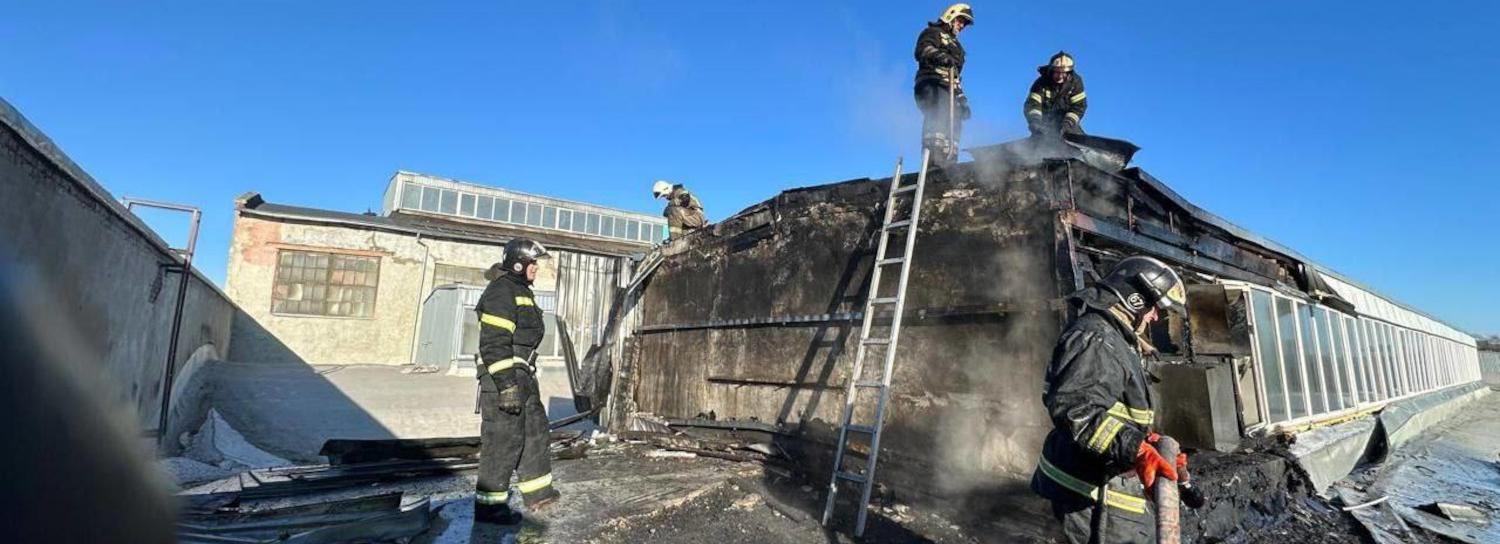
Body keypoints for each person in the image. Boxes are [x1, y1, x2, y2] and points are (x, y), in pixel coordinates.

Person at [1031, 256, 1189, 544]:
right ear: (1135, 299)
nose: (1154, 317)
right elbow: (1076, 410)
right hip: (1087, 499)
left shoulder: (1115, 338)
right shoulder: (1097, 336)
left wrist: (1146, 440)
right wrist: (1135, 450)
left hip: (1101, 492)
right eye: (1153, 307)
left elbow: (1113, 407)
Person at [473, 238, 559, 524]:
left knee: (535, 432)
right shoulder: (501, 291)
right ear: (518, 263)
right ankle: (489, 508)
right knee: (502, 440)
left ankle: (538, 493)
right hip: (503, 376)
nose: (537, 268)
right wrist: (506, 385)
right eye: (533, 263)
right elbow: (494, 343)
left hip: (522, 374)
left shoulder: (522, 291)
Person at [913, 4, 974, 163]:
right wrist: (941, 56)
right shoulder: (933, 33)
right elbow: (922, 50)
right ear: (950, 17)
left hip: (949, 87)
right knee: (940, 109)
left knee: (956, 115)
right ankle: (933, 156)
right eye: (960, 21)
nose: (961, 26)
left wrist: (962, 100)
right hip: (931, 82)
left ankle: (950, 160)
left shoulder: (958, 48)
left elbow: (955, 76)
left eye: (964, 24)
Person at [1024, 51, 1088, 137]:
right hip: (1044, 123)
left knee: (1076, 140)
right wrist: (1035, 122)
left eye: (1064, 73)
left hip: (1066, 124)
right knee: (1037, 142)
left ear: (1069, 72)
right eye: (1057, 72)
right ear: (1051, 70)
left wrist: (1068, 124)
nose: (1060, 76)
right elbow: (1032, 104)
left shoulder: (1075, 83)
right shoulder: (1041, 84)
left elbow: (1079, 106)